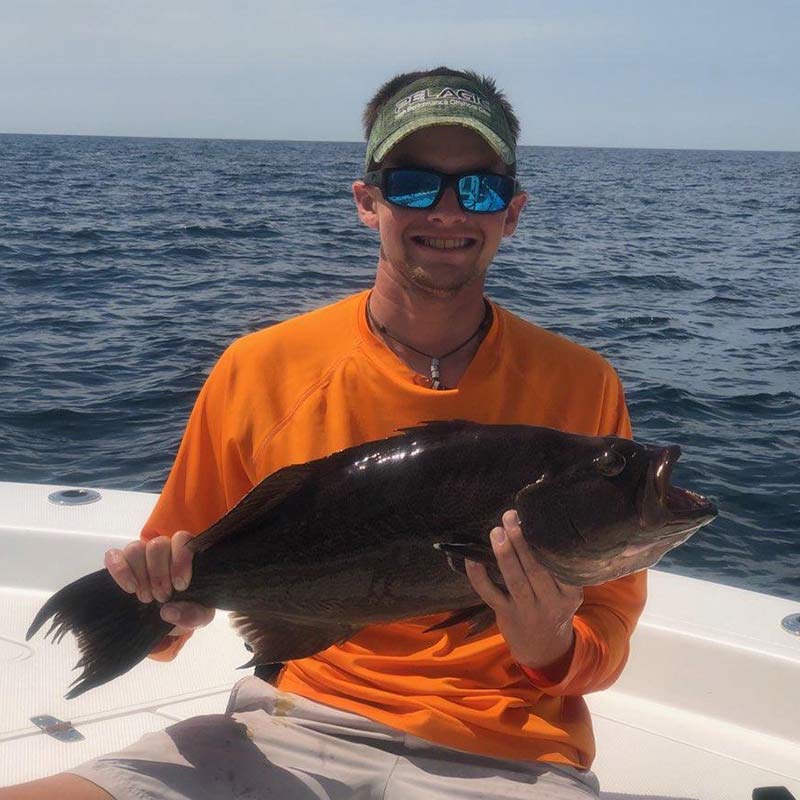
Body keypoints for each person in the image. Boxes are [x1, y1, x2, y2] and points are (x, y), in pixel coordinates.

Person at [3, 67, 646, 799]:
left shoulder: (584, 385)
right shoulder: (260, 367)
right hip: (289, 722)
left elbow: (610, 629)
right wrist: (170, 607)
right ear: (367, 203)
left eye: (478, 187)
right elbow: (175, 597)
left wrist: (550, 646)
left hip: (511, 753)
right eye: (411, 184)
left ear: (513, 211)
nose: (445, 210)